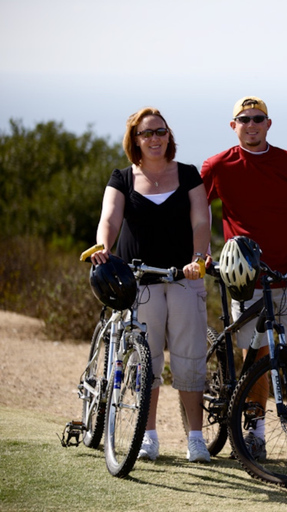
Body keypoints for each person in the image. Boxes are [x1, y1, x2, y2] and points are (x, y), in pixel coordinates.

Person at [201, 96, 287, 467]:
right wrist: (203, 251)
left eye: (258, 119)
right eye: (244, 119)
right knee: (254, 357)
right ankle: (255, 436)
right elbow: (194, 207)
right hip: (247, 281)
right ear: (233, 125)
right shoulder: (218, 165)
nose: (251, 125)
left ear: (269, 124)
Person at [91, 107, 212, 463]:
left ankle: (196, 438)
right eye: (147, 134)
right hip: (138, 280)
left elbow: (202, 221)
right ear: (135, 140)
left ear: (168, 135)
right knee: (148, 361)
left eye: (160, 132)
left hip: (183, 277)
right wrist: (104, 248)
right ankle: (148, 435)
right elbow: (109, 219)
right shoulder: (122, 178)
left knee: (190, 360)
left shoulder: (188, 174)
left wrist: (198, 258)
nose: (155, 139)